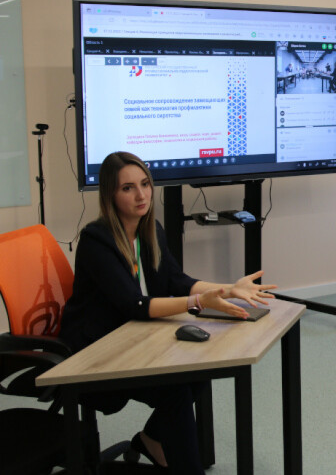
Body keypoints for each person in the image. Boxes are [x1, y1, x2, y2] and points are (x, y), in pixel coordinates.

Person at [60, 151, 276, 473]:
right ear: (110, 195)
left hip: (132, 338)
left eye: (145, 184)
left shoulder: (149, 230)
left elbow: (177, 281)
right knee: (175, 389)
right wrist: (199, 302)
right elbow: (135, 305)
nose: (141, 195)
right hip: (96, 352)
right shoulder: (96, 241)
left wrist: (229, 289)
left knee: (197, 372)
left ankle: (151, 440)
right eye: (128, 188)